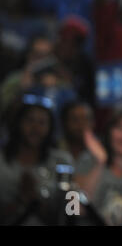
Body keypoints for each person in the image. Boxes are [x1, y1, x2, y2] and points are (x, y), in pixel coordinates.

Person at [0, 94, 72, 225]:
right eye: (29, 120)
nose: (35, 128)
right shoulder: (2, 162)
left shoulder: (63, 162)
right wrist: (20, 201)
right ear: (18, 123)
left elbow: (72, 212)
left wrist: (35, 200)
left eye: (42, 123)